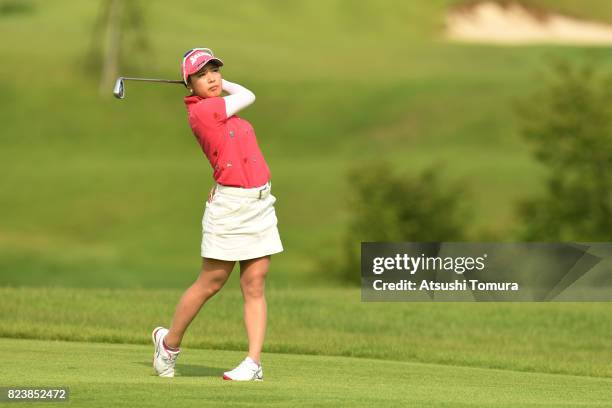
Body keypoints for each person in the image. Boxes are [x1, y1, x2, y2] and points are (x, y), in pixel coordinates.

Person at [151, 47, 283, 381]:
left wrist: (213, 85)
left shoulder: (218, 108)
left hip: (260, 204)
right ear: (189, 83)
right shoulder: (203, 113)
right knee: (211, 282)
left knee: (254, 284)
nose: (211, 78)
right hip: (230, 208)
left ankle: (253, 363)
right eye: (202, 74)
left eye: (215, 71)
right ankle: (169, 344)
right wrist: (221, 88)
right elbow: (249, 94)